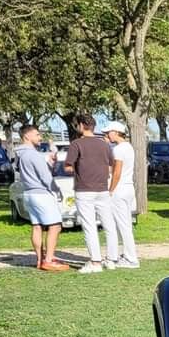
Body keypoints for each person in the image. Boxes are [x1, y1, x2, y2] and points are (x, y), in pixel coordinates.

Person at [13, 124, 69, 271]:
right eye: (37, 135)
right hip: (41, 193)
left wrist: (49, 163)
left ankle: (40, 259)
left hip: (29, 192)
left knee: (37, 226)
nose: (40, 137)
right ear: (27, 136)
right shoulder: (33, 154)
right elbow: (45, 177)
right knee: (55, 225)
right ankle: (49, 260)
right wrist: (56, 190)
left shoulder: (20, 155)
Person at [63, 114, 114, 274]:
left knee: (89, 226)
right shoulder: (104, 145)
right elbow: (111, 166)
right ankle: (111, 259)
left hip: (84, 189)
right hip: (102, 188)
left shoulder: (76, 144)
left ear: (81, 125)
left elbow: (68, 167)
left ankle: (95, 261)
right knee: (109, 225)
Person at [102, 121, 140, 268]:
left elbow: (116, 172)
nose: (107, 135)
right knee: (125, 225)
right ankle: (128, 255)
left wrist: (111, 190)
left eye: (109, 132)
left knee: (123, 225)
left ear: (116, 132)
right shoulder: (128, 147)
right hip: (128, 188)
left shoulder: (118, 149)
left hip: (119, 190)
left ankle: (131, 258)